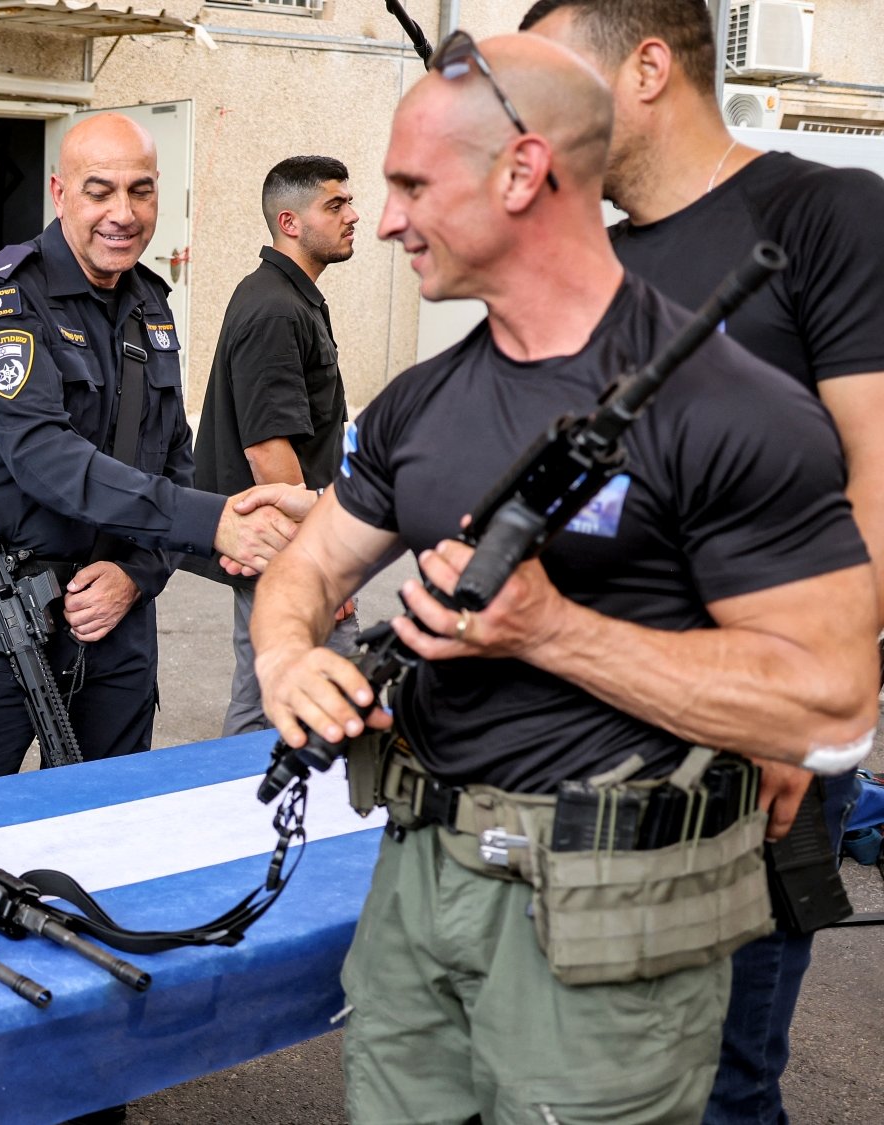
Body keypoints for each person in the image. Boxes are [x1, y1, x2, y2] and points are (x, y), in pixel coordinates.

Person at [253, 34, 878, 1122]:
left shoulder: (734, 411)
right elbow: (304, 568)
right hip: (417, 892)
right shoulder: (420, 402)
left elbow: (830, 703)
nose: (387, 220)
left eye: (411, 186)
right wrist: (284, 658)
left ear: (522, 172)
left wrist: (549, 630)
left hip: (606, 929)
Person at [520, 4, 884, 1118]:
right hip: (591, 729)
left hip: (744, 738)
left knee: (716, 1083)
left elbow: (876, 472)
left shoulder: (823, 212)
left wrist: (795, 705)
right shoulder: (591, 260)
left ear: (645, 68)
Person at [0, 113, 314, 789]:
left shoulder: (150, 304)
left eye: (140, 191)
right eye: (100, 191)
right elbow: (44, 457)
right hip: (3, 613)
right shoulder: (7, 298)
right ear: (60, 193)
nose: (122, 214)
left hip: (117, 624)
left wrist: (137, 574)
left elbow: (174, 458)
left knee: (111, 818)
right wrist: (211, 521)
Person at [189, 155, 362, 736]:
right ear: (290, 222)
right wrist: (318, 564)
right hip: (286, 548)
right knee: (289, 704)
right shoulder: (274, 308)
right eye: (334, 205)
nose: (352, 215)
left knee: (276, 700)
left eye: (349, 202)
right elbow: (268, 451)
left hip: (286, 544)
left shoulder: (288, 296)